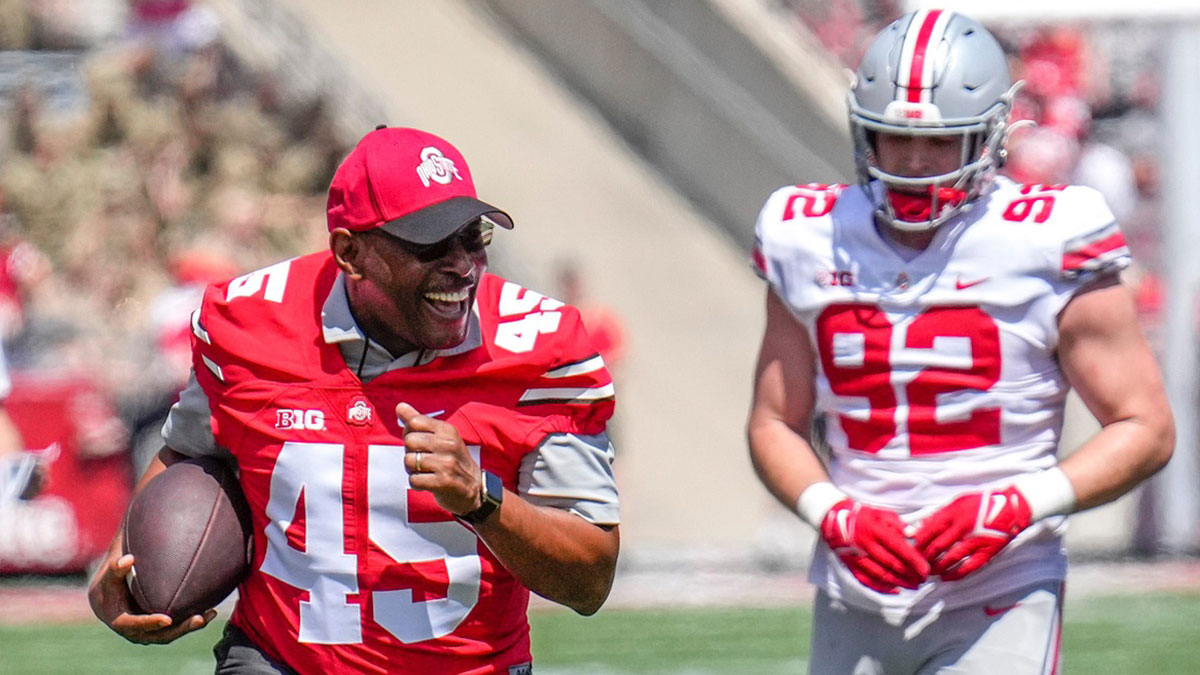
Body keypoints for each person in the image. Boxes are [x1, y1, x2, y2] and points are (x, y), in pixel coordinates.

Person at [89, 126, 620, 674]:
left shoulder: (542, 349)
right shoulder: (246, 323)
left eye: (474, 236)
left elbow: (589, 581)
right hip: (281, 660)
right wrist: (126, 563)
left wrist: (482, 501)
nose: (463, 266)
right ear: (351, 252)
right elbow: (188, 452)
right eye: (431, 244)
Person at [747, 9, 1173, 674]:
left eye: (942, 142)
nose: (916, 162)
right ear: (866, 134)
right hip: (855, 587)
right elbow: (774, 419)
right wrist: (833, 511)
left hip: (999, 589)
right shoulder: (806, 232)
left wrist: (1017, 504)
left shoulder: (1049, 233)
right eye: (895, 138)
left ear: (992, 135)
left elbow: (1145, 426)